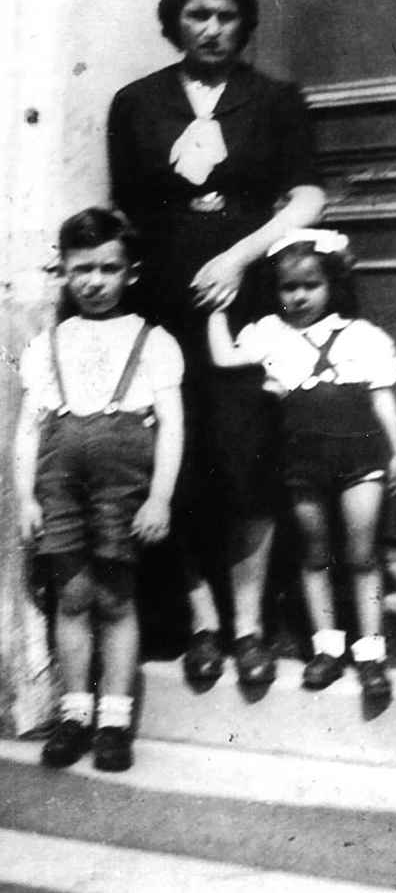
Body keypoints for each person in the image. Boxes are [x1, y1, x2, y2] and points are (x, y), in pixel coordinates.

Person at [108, 0, 324, 690]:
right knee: (176, 456)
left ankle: (252, 628)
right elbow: (127, 216)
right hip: (163, 307)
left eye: (227, 15)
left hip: (249, 301)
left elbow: (305, 202)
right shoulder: (135, 104)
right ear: (175, 21)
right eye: (198, 14)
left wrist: (239, 257)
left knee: (247, 459)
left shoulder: (275, 101)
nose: (212, 28)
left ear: (245, 24)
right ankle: (201, 621)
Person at [14, 208, 184, 771]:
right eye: (82, 269)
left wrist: (160, 496)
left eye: (109, 269)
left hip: (123, 485)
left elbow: (172, 426)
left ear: (130, 273)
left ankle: (114, 720)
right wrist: (26, 497)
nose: (95, 281)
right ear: (63, 271)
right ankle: (74, 714)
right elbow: (29, 429)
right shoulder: (47, 345)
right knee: (72, 597)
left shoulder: (152, 340)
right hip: (59, 482)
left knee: (114, 598)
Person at [208, 229, 396, 702]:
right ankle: (326, 650)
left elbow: (382, 399)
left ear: (332, 285)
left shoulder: (364, 336)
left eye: (310, 285)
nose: (298, 297)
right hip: (301, 463)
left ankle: (372, 654)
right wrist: (215, 311)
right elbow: (223, 356)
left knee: (362, 556)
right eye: (287, 288)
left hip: (362, 460)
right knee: (313, 554)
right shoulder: (269, 335)